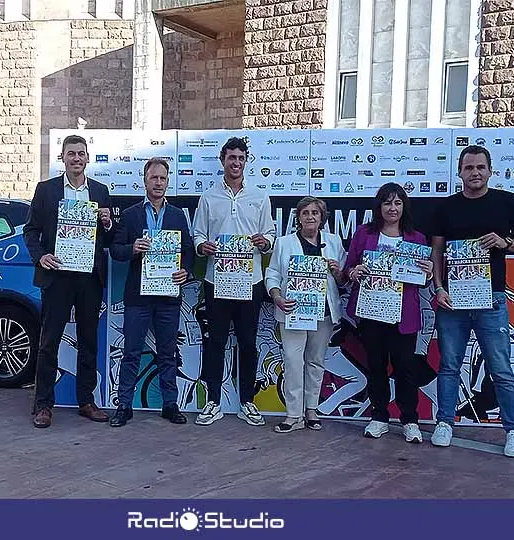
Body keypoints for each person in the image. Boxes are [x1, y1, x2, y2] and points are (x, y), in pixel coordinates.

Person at [430, 144, 514, 457]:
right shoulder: (446, 207)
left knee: (500, 367)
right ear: (460, 172)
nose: (474, 173)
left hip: (492, 299)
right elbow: (437, 251)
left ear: (490, 171)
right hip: (453, 300)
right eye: (468, 168)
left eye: (480, 168)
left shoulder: (506, 202)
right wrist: (438, 287)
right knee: (449, 365)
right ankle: (445, 421)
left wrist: (506, 242)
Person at [24, 134, 114, 428]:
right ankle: (43, 405)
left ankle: (86, 401)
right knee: (49, 341)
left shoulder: (100, 192)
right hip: (58, 276)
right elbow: (31, 231)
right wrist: (41, 257)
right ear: (62, 158)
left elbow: (111, 238)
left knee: (89, 340)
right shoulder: (47, 191)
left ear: (88, 158)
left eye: (81, 153)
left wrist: (107, 222)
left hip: (89, 278)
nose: (76, 158)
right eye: (71, 153)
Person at [191, 137, 276, 426]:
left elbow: (271, 236)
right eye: (231, 158)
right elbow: (198, 235)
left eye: (241, 158)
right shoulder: (208, 197)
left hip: (250, 281)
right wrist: (203, 247)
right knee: (215, 341)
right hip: (217, 281)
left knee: (248, 342)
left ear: (246, 161)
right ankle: (213, 401)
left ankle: (247, 402)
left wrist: (264, 242)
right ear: (222, 160)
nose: (236, 163)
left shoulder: (260, 197)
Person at [343, 183, 433, 443]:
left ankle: (410, 420)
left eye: (397, 203)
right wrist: (353, 272)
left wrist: (427, 273)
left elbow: (422, 282)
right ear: (379, 207)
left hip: (404, 317)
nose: (392, 208)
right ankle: (379, 416)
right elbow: (349, 268)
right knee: (376, 368)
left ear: (404, 207)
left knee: (406, 368)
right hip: (371, 313)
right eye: (387, 203)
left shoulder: (416, 238)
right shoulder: (364, 234)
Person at [108, 157, 195, 427]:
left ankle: (170, 404)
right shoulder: (131, 214)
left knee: (168, 353)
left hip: (168, 297)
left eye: (163, 178)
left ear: (168, 182)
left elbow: (188, 251)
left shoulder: (178, 215)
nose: (158, 183)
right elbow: (115, 250)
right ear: (144, 181)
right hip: (138, 298)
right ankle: (124, 406)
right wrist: (132, 248)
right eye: (153, 178)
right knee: (132, 352)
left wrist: (186, 272)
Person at [265, 196, 346, 433]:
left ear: (322, 218)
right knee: (292, 362)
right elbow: (272, 274)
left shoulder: (333, 242)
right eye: (305, 213)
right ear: (298, 218)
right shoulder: (284, 242)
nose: (310, 216)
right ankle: (293, 415)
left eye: (315, 213)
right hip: (292, 311)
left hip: (323, 311)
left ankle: (311, 410)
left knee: (315, 361)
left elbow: (343, 280)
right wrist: (277, 297)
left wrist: (337, 271)